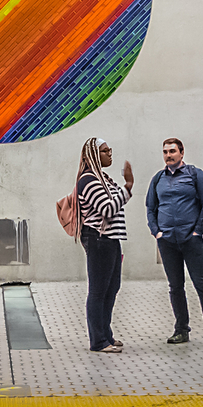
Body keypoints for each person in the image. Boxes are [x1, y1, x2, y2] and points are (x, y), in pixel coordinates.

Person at [146, 137, 203, 347]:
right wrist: (156, 232)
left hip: (191, 240)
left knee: (202, 285)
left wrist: (198, 231)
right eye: (165, 151)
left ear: (182, 153)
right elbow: (150, 207)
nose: (168, 155)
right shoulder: (158, 179)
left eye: (172, 151)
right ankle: (181, 330)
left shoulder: (195, 175)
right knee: (175, 287)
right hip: (167, 241)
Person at [76, 136, 133, 353]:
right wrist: (128, 186)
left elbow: (116, 202)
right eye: (105, 151)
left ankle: (106, 335)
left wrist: (125, 190)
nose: (110, 154)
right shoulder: (88, 180)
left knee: (112, 288)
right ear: (92, 155)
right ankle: (98, 341)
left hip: (111, 239)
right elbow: (108, 209)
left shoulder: (103, 179)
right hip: (99, 240)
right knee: (99, 291)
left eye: (110, 150)